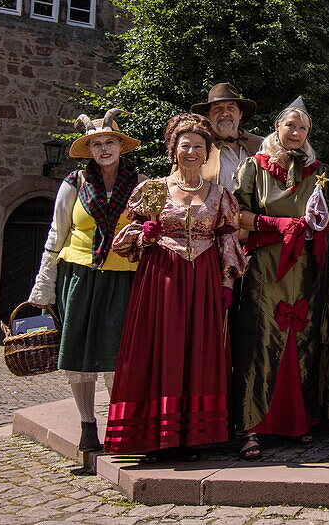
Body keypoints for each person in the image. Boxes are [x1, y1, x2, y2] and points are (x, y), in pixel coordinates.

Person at [106, 113, 247, 460]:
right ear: (173, 150)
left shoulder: (219, 195)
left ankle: (191, 437)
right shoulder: (152, 190)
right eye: (185, 146)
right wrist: (145, 234)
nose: (191, 152)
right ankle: (154, 435)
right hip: (160, 278)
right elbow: (123, 241)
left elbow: (227, 238)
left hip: (203, 280)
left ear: (206, 153)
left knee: (196, 350)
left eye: (198, 147)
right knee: (159, 348)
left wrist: (227, 282)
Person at [27, 109, 145, 453]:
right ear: (89, 149)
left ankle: (117, 426)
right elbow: (57, 232)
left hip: (123, 277)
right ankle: (87, 426)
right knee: (78, 353)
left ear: (121, 146)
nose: (104, 148)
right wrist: (43, 285)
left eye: (110, 142)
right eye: (96, 144)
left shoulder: (139, 184)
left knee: (116, 354)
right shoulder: (74, 183)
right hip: (78, 275)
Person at [232, 98, 329, 461]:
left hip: (305, 266)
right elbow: (235, 216)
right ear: (277, 128)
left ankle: (298, 420)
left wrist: (320, 224)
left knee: (301, 338)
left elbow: (323, 215)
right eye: (290, 125)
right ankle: (251, 426)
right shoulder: (254, 167)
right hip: (266, 265)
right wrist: (273, 224)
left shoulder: (317, 172)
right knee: (262, 338)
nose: (296, 132)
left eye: (303, 128)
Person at [192, 83, 264, 192]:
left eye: (231, 108)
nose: (225, 113)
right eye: (218, 108)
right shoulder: (195, 148)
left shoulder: (261, 145)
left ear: (240, 114)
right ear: (208, 116)